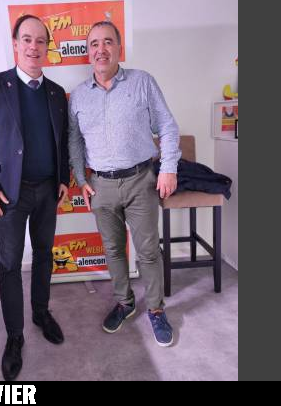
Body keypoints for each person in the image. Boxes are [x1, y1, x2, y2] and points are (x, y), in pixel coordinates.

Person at [68, 21, 181, 347]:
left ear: (119, 47)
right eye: (94, 44)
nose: (100, 50)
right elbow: (74, 141)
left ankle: (156, 309)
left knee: (148, 251)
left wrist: (168, 168)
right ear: (88, 52)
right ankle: (125, 302)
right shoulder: (78, 96)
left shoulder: (142, 82)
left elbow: (167, 126)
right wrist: (81, 179)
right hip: (101, 186)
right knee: (113, 250)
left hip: (140, 180)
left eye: (107, 42)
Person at [0, 14, 69, 380]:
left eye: (40, 41)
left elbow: (62, 140)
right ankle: (15, 336)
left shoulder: (56, 93)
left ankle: (41, 313)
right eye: (27, 39)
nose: (33, 46)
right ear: (16, 44)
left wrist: (63, 178)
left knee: (44, 254)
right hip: (8, 196)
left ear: (47, 48)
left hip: (47, 190)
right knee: (10, 266)